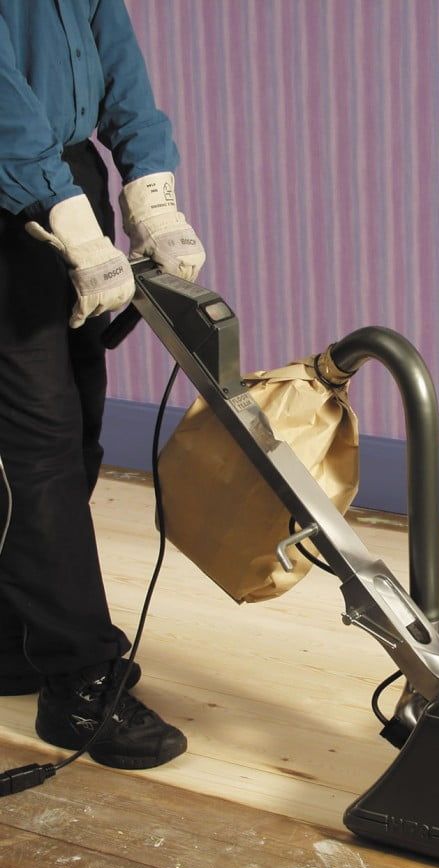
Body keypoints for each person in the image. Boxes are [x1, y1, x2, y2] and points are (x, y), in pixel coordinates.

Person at [0, 1, 205, 770]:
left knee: (77, 424)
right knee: (34, 449)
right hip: (13, 188)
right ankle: (79, 681)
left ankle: (15, 635)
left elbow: (115, 56)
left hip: (63, 172)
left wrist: (151, 190)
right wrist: (71, 223)